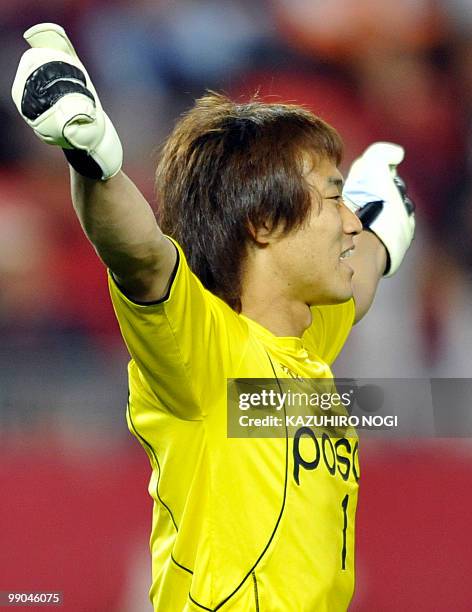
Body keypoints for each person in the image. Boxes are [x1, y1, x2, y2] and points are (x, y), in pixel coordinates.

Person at [12, 23, 415, 612]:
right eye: (334, 198)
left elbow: (364, 276)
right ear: (263, 222)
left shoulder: (304, 345)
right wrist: (89, 156)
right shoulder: (202, 351)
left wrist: (385, 228)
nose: (349, 222)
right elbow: (141, 255)